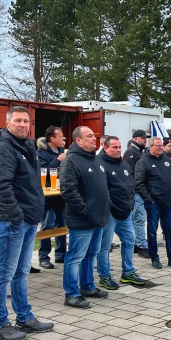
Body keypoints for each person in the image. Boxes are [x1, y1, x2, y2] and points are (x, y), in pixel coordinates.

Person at [0, 106, 54, 340]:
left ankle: (24, 317)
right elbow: (0, 186)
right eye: (18, 121)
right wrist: (16, 216)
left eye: (26, 121)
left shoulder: (25, 145)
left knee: (21, 271)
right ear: (7, 123)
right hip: (12, 221)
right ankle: (0, 324)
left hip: (27, 219)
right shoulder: (2, 148)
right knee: (4, 273)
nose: (23, 125)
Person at [60, 126, 110, 308]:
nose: (93, 139)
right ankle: (71, 294)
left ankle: (87, 286)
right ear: (78, 140)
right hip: (82, 219)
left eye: (94, 136)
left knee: (91, 255)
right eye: (89, 136)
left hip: (98, 218)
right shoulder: (71, 161)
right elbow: (68, 190)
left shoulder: (96, 160)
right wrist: (84, 210)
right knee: (75, 256)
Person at [97, 136, 147, 290]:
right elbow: (101, 190)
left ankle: (128, 272)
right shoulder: (100, 164)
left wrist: (130, 203)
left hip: (125, 213)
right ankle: (104, 276)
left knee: (130, 241)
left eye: (119, 147)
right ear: (105, 148)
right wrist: (111, 207)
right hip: (110, 214)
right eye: (114, 147)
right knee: (104, 247)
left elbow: (130, 186)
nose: (118, 150)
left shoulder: (124, 165)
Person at [135, 136, 171, 270]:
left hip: (169, 202)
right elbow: (138, 184)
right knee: (152, 232)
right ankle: (154, 258)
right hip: (154, 203)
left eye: (162, 145)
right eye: (158, 146)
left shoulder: (167, 160)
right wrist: (149, 199)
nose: (161, 148)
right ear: (150, 147)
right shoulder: (143, 162)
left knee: (170, 231)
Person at [36, 126, 67, 269]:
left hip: (61, 196)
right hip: (47, 198)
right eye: (60, 136)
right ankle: (44, 257)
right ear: (52, 139)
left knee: (62, 226)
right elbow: (42, 173)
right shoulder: (40, 153)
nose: (63, 139)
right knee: (47, 227)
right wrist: (58, 161)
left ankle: (61, 255)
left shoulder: (63, 151)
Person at [123, 130, 149, 258]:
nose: (145, 140)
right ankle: (141, 246)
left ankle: (134, 244)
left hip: (140, 191)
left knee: (136, 219)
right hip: (136, 191)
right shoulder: (131, 152)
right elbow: (130, 174)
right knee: (138, 219)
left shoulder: (139, 151)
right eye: (144, 138)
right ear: (137, 138)